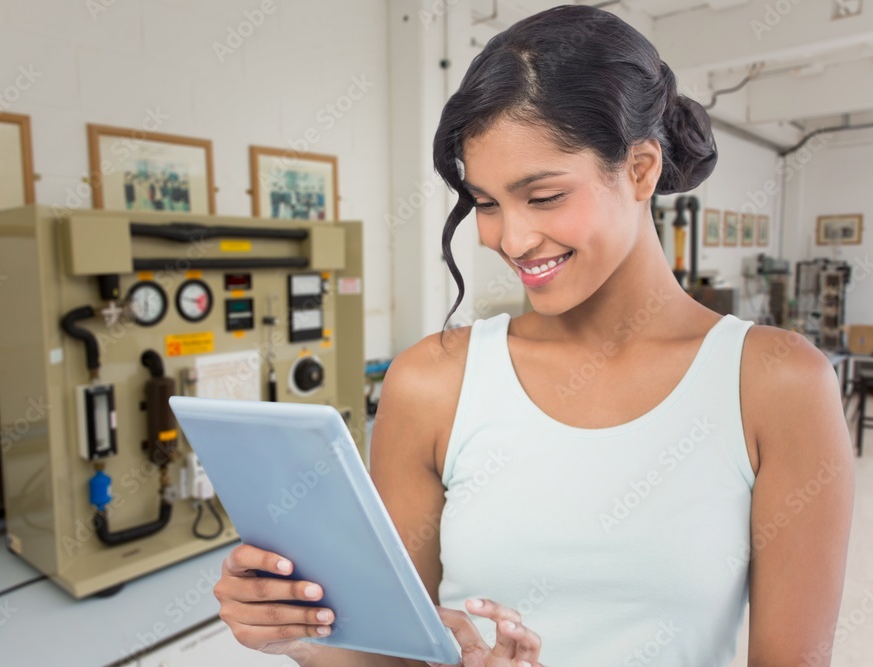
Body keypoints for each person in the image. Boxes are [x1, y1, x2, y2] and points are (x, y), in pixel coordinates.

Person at [211, 6, 855, 666]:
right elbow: (392, 652)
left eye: (543, 196)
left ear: (640, 169)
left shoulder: (776, 384)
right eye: (486, 202)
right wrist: (299, 630)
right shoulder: (432, 382)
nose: (509, 239)